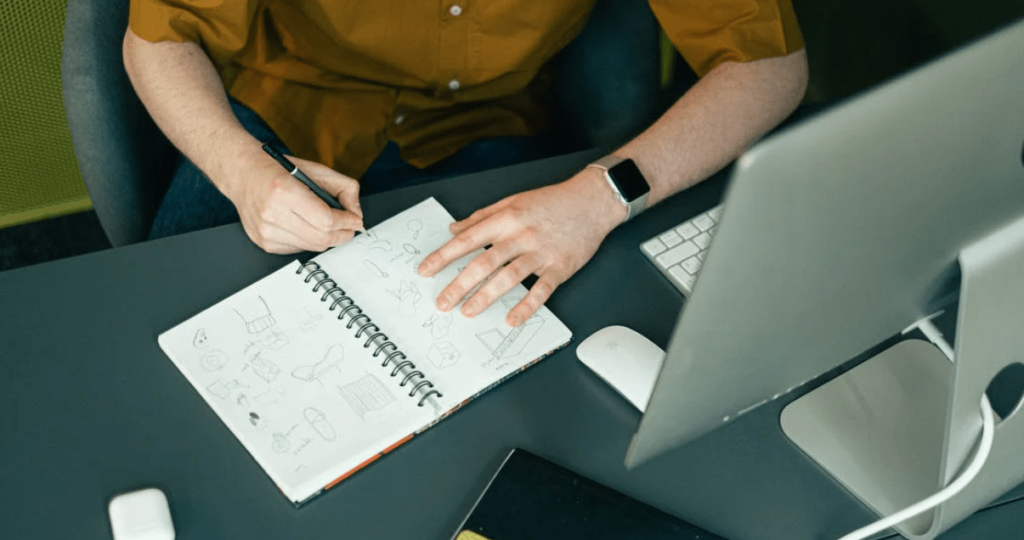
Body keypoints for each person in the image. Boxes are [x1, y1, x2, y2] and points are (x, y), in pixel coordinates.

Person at [124, 0, 808, 326]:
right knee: (165, 351)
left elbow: (771, 65)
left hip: (493, 139)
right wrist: (241, 170)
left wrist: (603, 195)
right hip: (282, 127)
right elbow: (156, 39)